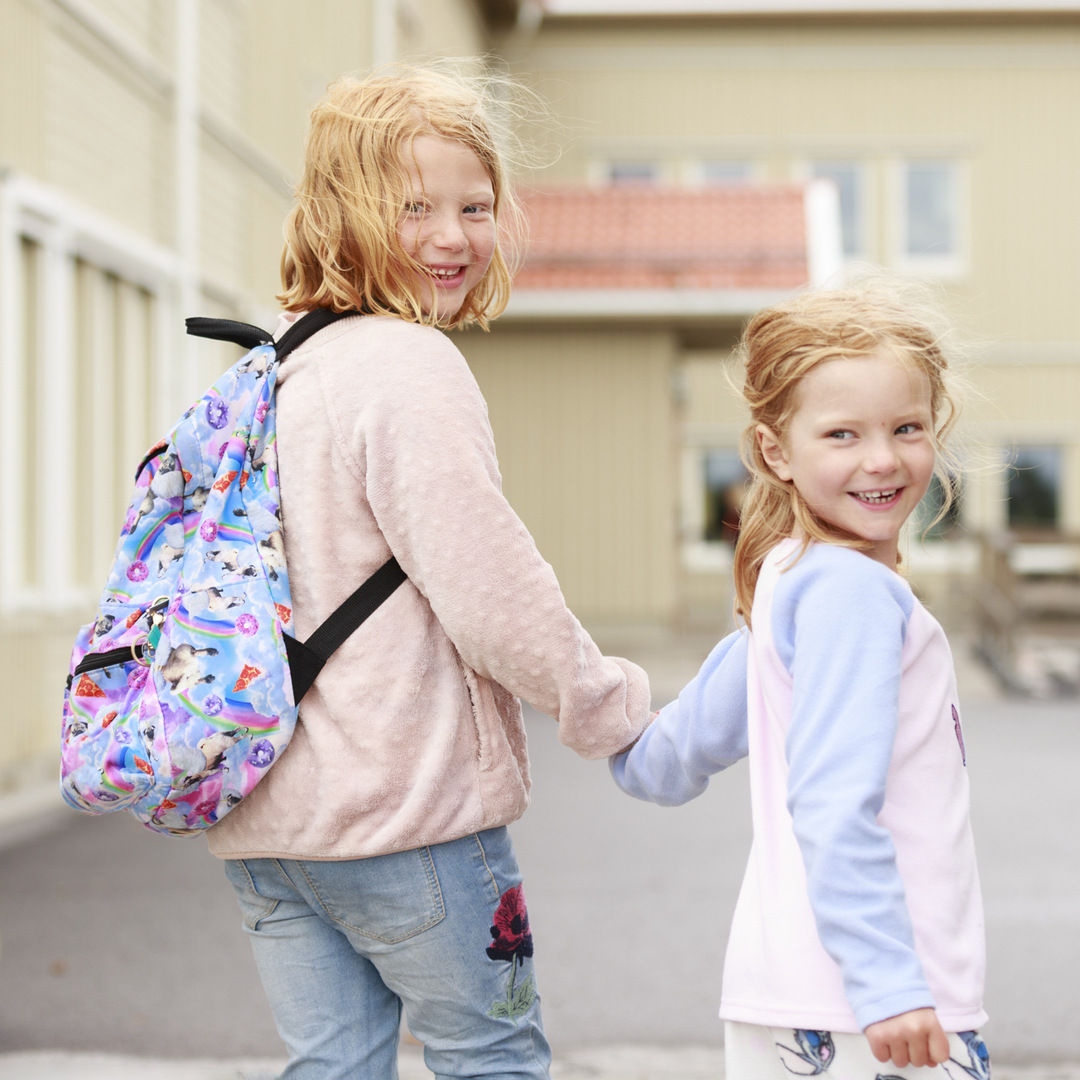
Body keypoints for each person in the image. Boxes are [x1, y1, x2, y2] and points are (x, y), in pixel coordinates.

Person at [208, 64, 652, 1079]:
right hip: (404, 816)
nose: (452, 237)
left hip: (270, 826)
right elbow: (492, 591)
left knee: (332, 1066)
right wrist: (605, 706)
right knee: (491, 1058)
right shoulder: (407, 367)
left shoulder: (274, 364)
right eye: (413, 208)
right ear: (343, 214)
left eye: (475, 206)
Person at [612, 283, 991, 1080]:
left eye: (906, 428)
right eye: (843, 433)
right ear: (776, 451)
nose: (882, 458)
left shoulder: (788, 575)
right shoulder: (852, 594)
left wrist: (605, 719)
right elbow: (829, 795)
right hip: (879, 1006)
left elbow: (669, 758)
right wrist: (889, 986)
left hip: (786, 1000)